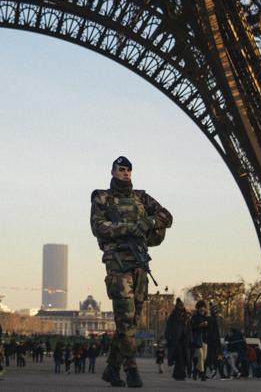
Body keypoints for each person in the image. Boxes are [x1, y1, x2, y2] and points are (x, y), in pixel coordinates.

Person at [91, 155, 173, 388]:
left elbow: (167, 216)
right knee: (126, 320)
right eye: (121, 169)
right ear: (112, 171)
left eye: (129, 170)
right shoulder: (101, 197)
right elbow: (98, 227)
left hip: (139, 264)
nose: (126, 173)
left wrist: (146, 224)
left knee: (131, 322)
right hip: (118, 265)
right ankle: (131, 369)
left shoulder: (141, 197)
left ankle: (112, 369)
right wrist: (131, 228)